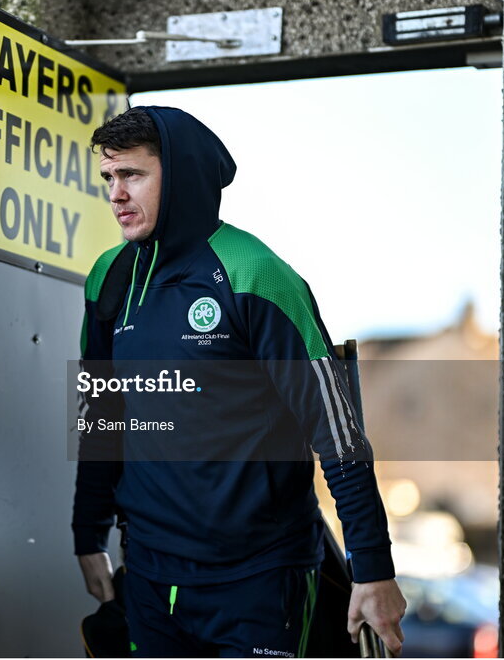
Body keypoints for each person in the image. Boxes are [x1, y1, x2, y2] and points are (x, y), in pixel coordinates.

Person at [73, 106, 406, 658]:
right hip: (151, 577)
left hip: (259, 581)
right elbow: (99, 417)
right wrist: (89, 534)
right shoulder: (109, 277)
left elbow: (338, 433)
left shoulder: (256, 275)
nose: (115, 194)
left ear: (179, 177)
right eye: (109, 177)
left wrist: (372, 568)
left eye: (132, 175)